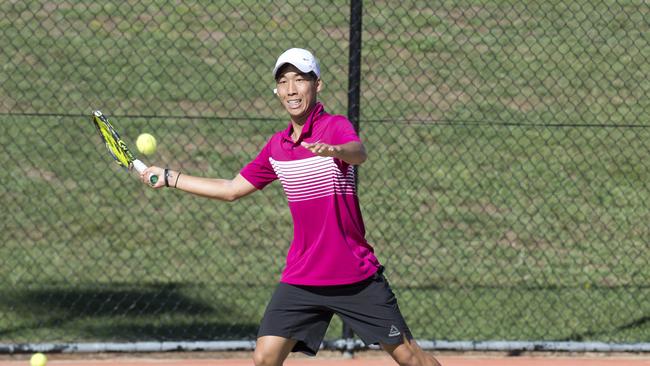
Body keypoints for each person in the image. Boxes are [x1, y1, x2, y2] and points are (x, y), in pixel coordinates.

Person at [141, 48, 441, 366]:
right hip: (304, 274)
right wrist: (171, 177)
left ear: (317, 85)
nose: (291, 89)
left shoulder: (335, 126)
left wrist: (334, 150)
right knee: (265, 357)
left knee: (411, 357)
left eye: (300, 80)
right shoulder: (277, 147)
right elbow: (231, 189)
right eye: (283, 82)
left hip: (353, 273)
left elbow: (358, 152)